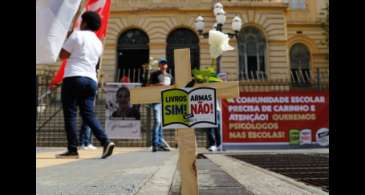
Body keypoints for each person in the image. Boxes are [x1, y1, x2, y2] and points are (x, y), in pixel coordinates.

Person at [56, 11, 115, 159]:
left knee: (70, 113)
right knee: (88, 114)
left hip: (74, 77)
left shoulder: (77, 35)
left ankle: (72, 149)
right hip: (91, 80)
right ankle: (105, 141)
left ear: (85, 23)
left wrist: (66, 38)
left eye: (81, 21)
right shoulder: (98, 42)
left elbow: (62, 55)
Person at [148, 57, 174, 152]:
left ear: (167, 65)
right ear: (159, 65)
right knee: (157, 121)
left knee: (162, 123)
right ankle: (155, 144)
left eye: (165, 64)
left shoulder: (170, 76)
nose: (163, 65)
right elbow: (149, 86)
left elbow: (173, 87)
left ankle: (159, 143)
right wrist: (159, 85)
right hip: (156, 100)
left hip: (166, 102)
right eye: (162, 64)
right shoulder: (154, 74)